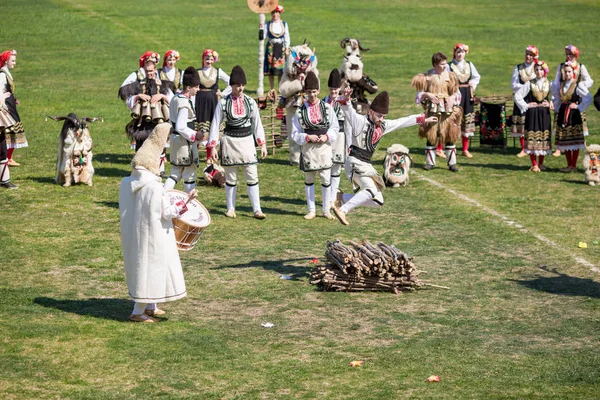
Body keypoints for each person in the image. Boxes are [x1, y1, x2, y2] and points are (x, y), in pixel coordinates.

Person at [119, 123, 194, 323]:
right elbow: (165, 212)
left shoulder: (129, 183)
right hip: (154, 235)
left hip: (137, 235)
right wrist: (186, 203)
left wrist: (173, 179)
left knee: (148, 267)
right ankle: (138, 311)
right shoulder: (151, 186)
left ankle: (151, 305)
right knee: (151, 267)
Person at [332, 90, 437, 226]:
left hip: (366, 165)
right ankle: (343, 210)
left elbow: (401, 122)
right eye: (379, 115)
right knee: (370, 190)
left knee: (378, 200)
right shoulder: (359, 121)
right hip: (354, 162)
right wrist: (346, 99)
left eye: (384, 116)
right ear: (371, 112)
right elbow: (348, 111)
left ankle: (342, 198)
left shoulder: (383, 126)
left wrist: (423, 119)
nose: (381, 119)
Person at [207, 65, 267, 219]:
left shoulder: (250, 102)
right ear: (231, 86)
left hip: (247, 141)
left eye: (242, 85)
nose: (240, 88)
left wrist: (263, 144)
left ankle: (257, 209)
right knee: (231, 177)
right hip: (230, 142)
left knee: (252, 175)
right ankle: (230, 208)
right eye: (237, 85)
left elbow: (257, 123)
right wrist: (212, 146)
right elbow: (215, 124)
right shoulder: (223, 103)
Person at [291, 71, 339, 220]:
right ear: (305, 92)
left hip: (324, 147)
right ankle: (311, 210)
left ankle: (326, 210)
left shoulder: (327, 108)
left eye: (314, 92)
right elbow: (294, 133)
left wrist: (326, 136)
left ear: (318, 91)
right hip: (308, 149)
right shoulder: (300, 111)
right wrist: (307, 136)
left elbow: (335, 127)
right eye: (309, 92)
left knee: (326, 179)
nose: (311, 95)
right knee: (309, 179)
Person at [411, 52, 462, 171]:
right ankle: (430, 162)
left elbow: (456, 92)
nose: (445, 66)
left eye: (445, 63)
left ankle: (452, 163)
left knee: (450, 135)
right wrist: (427, 94)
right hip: (432, 111)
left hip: (447, 112)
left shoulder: (451, 76)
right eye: (442, 64)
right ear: (435, 64)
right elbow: (419, 95)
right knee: (431, 136)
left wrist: (452, 98)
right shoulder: (427, 77)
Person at [118, 51, 174, 151]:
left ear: (155, 69)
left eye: (151, 71)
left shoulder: (162, 82)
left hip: (159, 121)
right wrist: (138, 96)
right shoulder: (138, 83)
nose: (149, 73)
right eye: (147, 71)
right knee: (141, 149)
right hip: (142, 123)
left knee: (158, 150)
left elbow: (172, 99)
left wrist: (161, 96)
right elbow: (126, 96)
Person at [164, 67, 202, 193]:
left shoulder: (175, 97)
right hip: (184, 142)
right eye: (196, 87)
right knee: (189, 174)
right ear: (188, 87)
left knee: (175, 172)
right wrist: (195, 135)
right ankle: (189, 202)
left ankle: (162, 195)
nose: (198, 89)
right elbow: (181, 126)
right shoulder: (184, 104)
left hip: (176, 140)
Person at [551, 45, 594, 156]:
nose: (569, 56)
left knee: (574, 127)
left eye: (571, 54)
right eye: (567, 54)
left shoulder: (580, 67)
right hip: (563, 97)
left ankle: (573, 150)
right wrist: (553, 99)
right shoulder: (561, 66)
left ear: (576, 55)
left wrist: (580, 86)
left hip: (575, 100)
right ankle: (559, 148)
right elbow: (556, 83)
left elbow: (589, 80)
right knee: (560, 124)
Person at [514, 60, 553, 172]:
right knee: (533, 135)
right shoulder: (529, 83)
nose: (539, 72)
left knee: (543, 136)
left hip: (544, 113)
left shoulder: (550, 83)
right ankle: (534, 164)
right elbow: (518, 96)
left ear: (545, 70)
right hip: (533, 113)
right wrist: (526, 105)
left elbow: (556, 95)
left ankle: (541, 163)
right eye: (536, 69)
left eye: (541, 69)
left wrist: (551, 102)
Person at [194, 49, 231, 160]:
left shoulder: (217, 71)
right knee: (200, 127)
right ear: (203, 59)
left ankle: (209, 156)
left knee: (213, 125)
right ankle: (194, 154)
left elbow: (229, 81)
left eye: (211, 59)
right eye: (207, 59)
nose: (209, 61)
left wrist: (223, 93)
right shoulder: (198, 72)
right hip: (200, 101)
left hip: (213, 101)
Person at [449, 43, 480, 158]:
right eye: (458, 52)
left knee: (467, 119)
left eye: (462, 52)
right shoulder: (450, 66)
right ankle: (450, 146)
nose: (460, 54)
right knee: (454, 119)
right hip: (456, 94)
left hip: (467, 94)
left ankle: (465, 149)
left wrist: (473, 84)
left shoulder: (469, 65)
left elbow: (477, 77)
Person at [323, 68, 346, 209]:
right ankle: (327, 198)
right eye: (331, 89)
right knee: (326, 168)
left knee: (336, 168)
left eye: (336, 89)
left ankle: (332, 199)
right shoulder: (323, 102)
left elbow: (349, 124)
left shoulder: (345, 102)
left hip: (340, 137)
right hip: (326, 137)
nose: (333, 92)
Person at [0, 50, 27, 167]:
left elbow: (7, 88)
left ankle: (8, 157)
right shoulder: (2, 74)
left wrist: (13, 98)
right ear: (6, 61)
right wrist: (3, 101)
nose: (15, 63)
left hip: (10, 104)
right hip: (6, 107)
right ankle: (6, 157)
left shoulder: (6, 73)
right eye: (13, 61)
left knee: (14, 130)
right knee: (10, 131)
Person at [511, 45, 538, 157]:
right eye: (527, 54)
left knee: (532, 122)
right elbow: (514, 84)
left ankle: (533, 145)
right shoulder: (518, 68)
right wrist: (524, 87)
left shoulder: (538, 67)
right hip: (521, 97)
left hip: (533, 97)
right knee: (522, 123)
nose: (528, 57)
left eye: (531, 55)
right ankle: (523, 148)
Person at [263, 5, 290, 92]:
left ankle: (279, 88)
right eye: (273, 13)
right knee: (271, 70)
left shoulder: (284, 24)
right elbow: (263, 37)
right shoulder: (268, 24)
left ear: (279, 14)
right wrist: (261, 28)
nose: (275, 15)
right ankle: (272, 88)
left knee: (280, 71)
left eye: (277, 13)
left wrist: (286, 48)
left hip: (280, 48)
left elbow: (287, 37)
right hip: (271, 48)